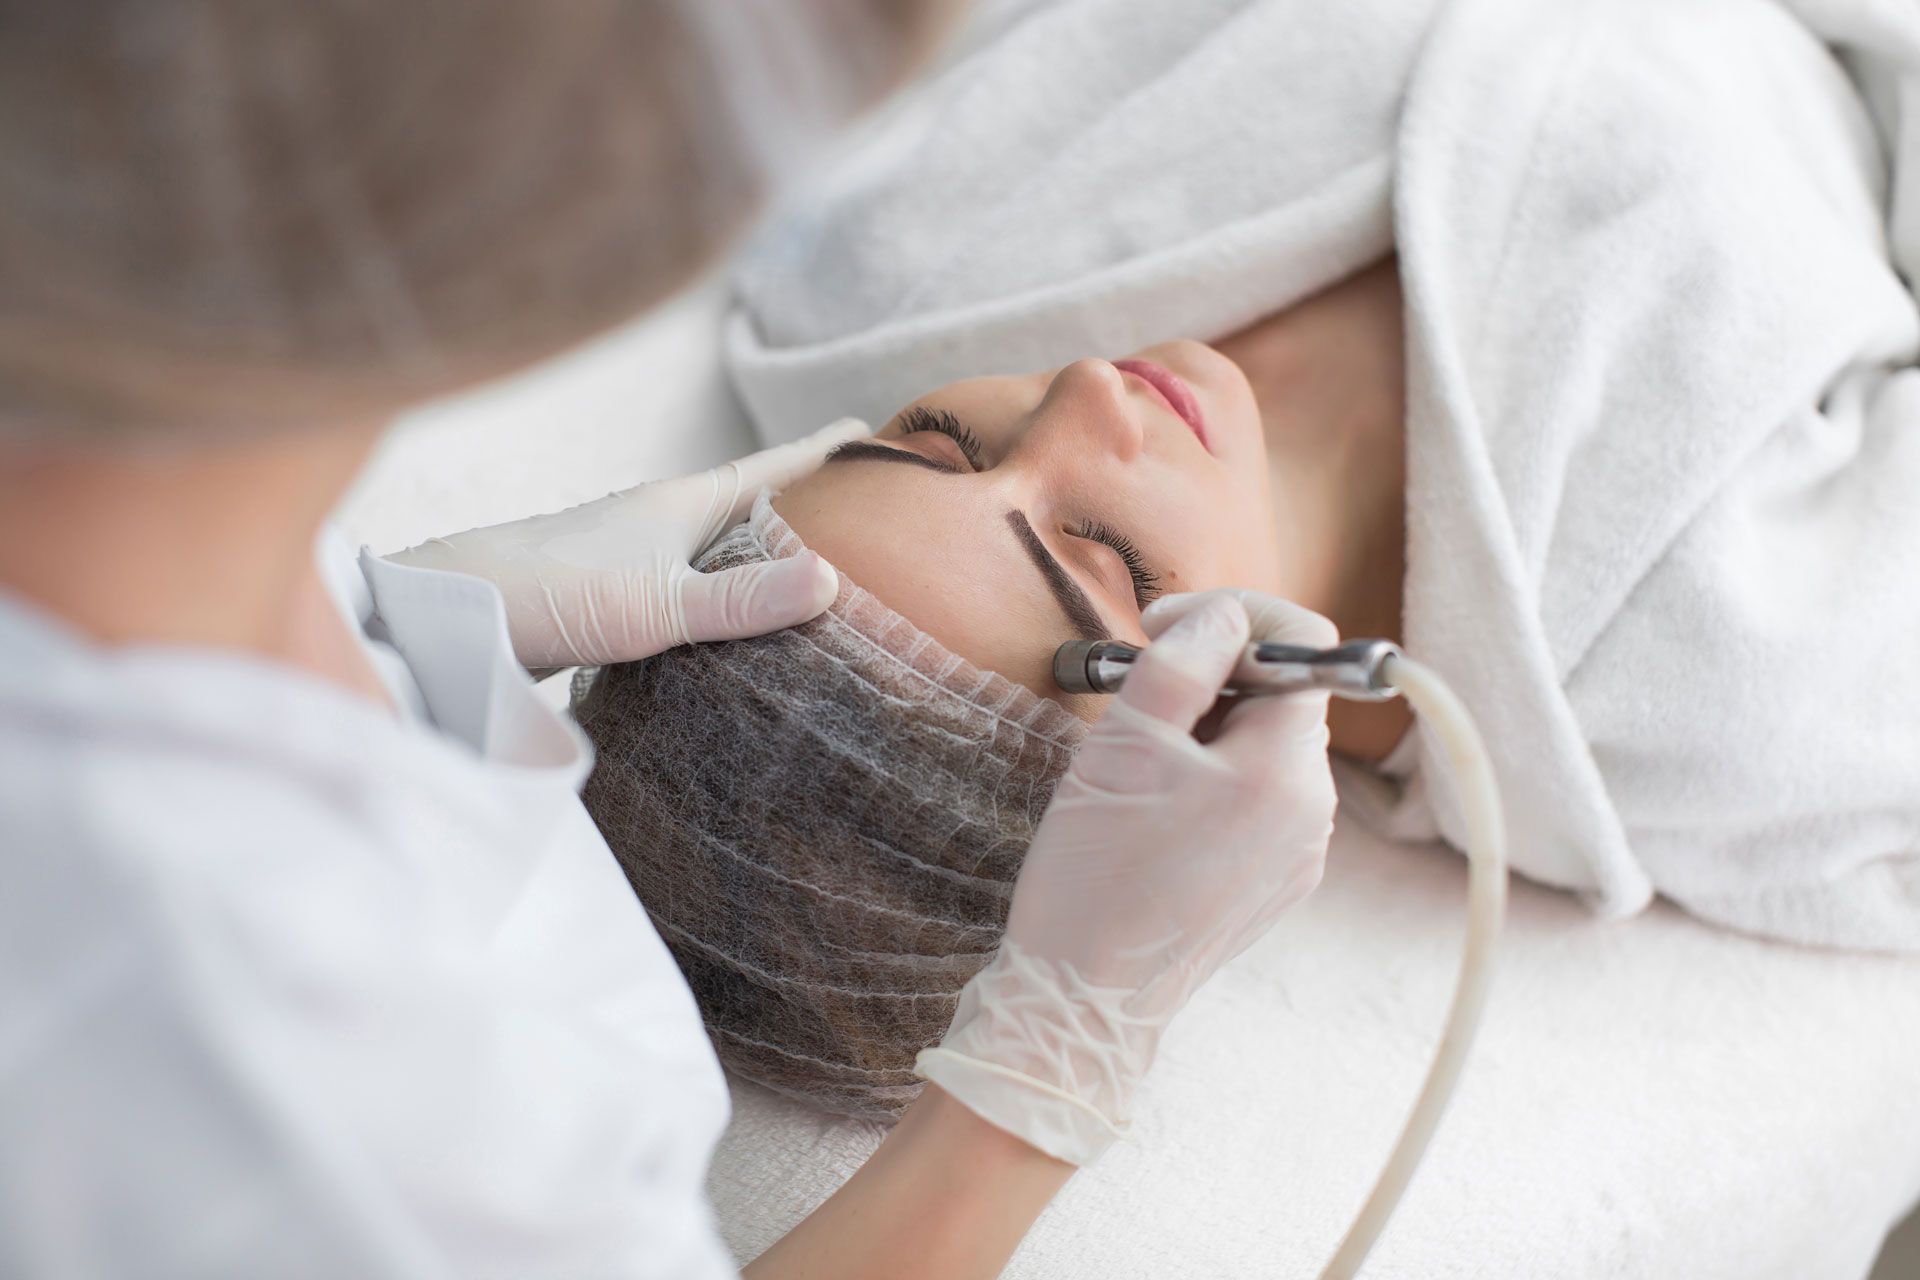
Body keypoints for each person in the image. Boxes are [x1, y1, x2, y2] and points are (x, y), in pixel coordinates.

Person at [0, 5, 1342, 1278]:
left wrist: (391, 613)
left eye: (920, 437)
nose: (1083, 388)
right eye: (1112, 561)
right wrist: (1055, 1055)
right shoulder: (333, 1080)